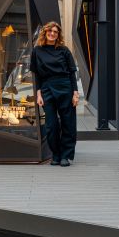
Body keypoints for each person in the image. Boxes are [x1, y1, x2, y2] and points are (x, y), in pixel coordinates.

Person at [30, 22, 79, 166]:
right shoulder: (37, 51)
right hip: (46, 88)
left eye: (55, 32)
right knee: (51, 125)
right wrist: (38, 94)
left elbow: (72, 73)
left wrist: (75, 93)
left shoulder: (64, 51)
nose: (52, 34)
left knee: (68, 123)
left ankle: (65, 155)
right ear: (45, 32)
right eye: (50, 31)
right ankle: (55, 154)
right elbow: (37, 75)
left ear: (58, 35)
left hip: (65, 87)